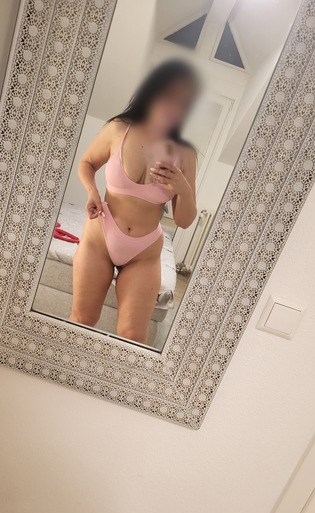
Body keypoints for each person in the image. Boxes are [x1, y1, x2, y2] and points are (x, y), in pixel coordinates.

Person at [70, 60, 199, 344]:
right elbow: (87, 163)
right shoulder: (118, 129)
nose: (174, 106)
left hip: (144, 253)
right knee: (81, 320)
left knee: (132, 337)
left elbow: (184, 220)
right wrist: (92, 191)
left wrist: (184, 190)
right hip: (100, 238)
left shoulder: (185, 154)